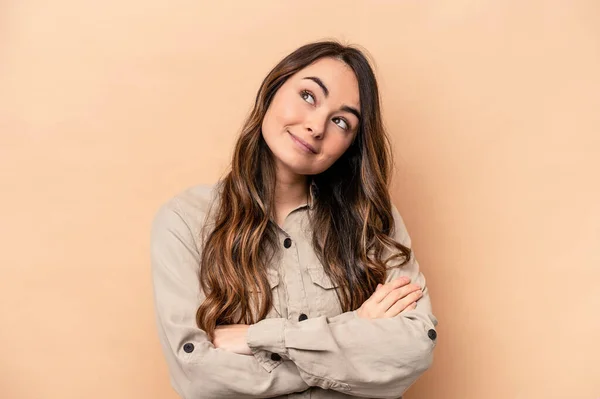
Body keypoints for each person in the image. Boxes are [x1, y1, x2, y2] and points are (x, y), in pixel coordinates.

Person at [150, 40, 438, 399]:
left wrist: (261, 338)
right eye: (308, 96)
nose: (317, 126)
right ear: (273, 89)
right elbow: (197, 376)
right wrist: (355, 330)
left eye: (341, 121)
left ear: (351, 144)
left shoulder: (371, 219)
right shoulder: (186, 221)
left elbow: (414, 345)